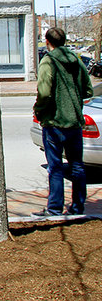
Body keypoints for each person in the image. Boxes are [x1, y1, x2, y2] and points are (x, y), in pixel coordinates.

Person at [33, 27, 92, 216]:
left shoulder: (48, 61)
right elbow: (88, 90)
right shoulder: (76, 60)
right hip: (74, 122)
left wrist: (40, 112)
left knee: (56, 167)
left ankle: (55, 208)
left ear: (47, 41)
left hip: (54, 123)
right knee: (77, 165)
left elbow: (44, 92)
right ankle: (78, 207)